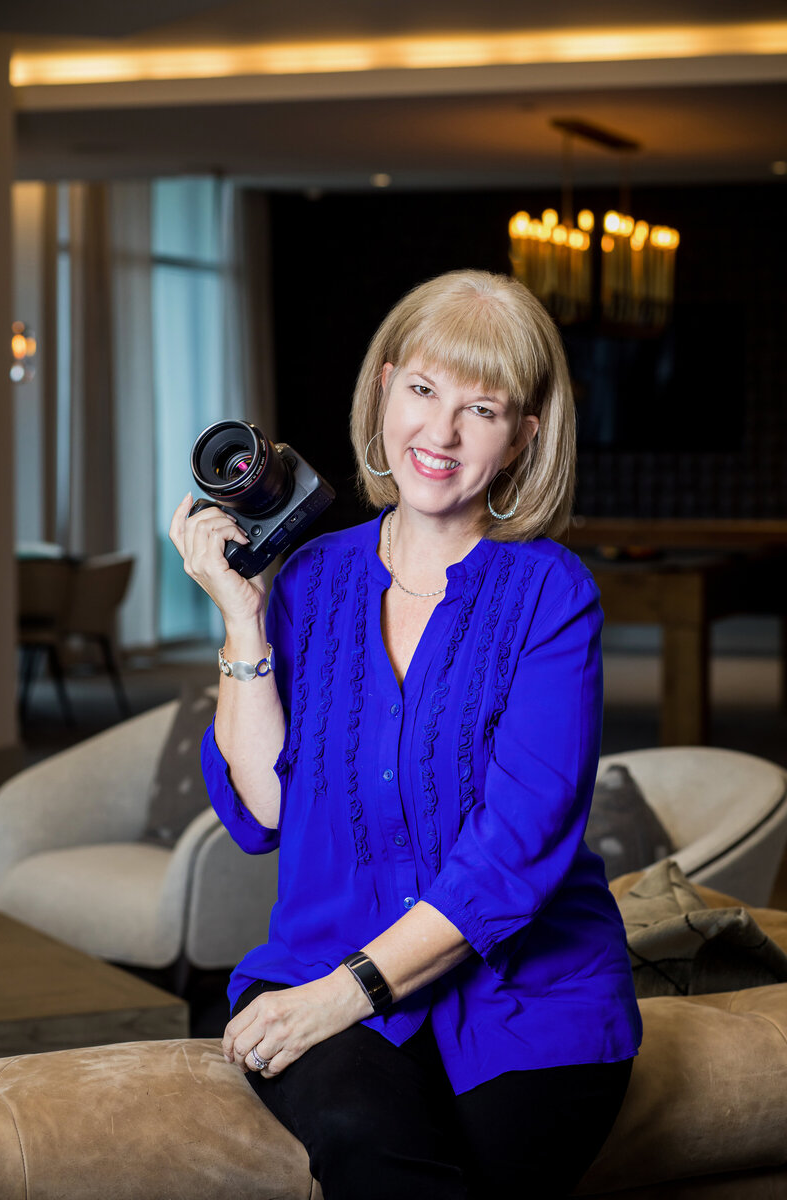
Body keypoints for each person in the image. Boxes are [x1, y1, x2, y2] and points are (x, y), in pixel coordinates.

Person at [169, 269, 643, 1199]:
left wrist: (346, 993)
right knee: (363, 1136)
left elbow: (514, 853)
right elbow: (264, 809)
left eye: (483, 409)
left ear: (522, 440)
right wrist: (241, 619)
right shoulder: (305, 581)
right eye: (423, 391)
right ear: (384, 388)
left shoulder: (551, 596)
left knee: (494, 1158)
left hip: (528, 993)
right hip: (316, 960)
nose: (441, 433)